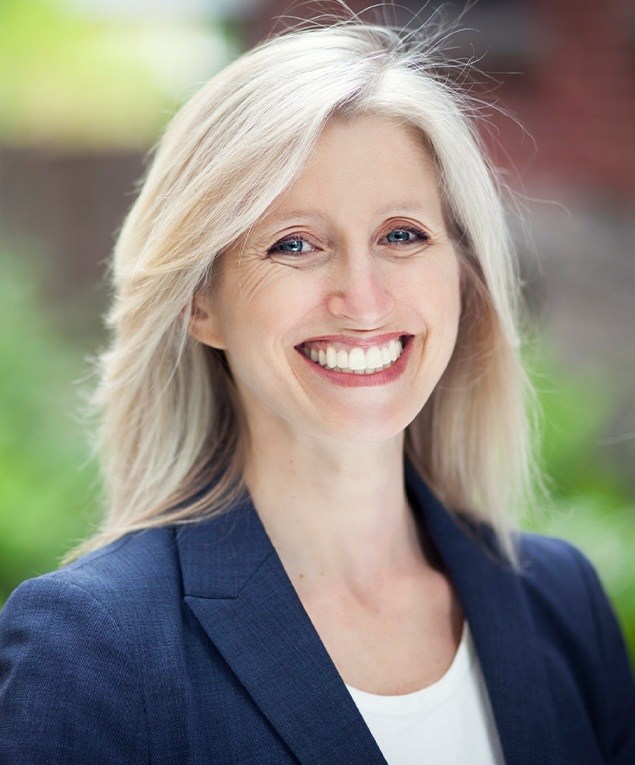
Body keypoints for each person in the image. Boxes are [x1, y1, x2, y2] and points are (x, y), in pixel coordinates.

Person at [1, 19, 634, 765]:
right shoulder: (92, 642)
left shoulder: (560, 601)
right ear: (199, 302)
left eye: (401, 235)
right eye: (293, 243)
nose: (362, 300)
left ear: (461, 276)